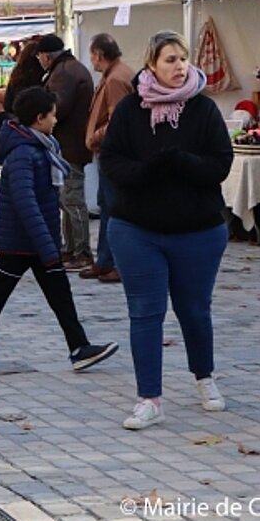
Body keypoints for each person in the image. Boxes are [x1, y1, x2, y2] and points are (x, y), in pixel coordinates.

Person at [99, 31, 233, 430]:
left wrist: (184, 163)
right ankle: (149, 399)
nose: (179, 66)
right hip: (137, 229)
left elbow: (221, 163)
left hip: (198, 229)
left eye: (183, 59)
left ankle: (204, 377)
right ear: (151, 65)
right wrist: (148, 171)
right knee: (145, 311)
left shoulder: (203, 108)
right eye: (170, 60)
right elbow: (111, 161)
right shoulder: (130, 109)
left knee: (194, 310)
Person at [0, 87, 118, 373]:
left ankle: (79, 347)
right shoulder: (23, 153)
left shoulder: (42, 147)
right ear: (39, 118)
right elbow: (25, 203)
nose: (56, 121)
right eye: (53, 116)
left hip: (40, 240)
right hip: (18, 242)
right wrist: (48, 244)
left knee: (60, 294)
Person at [36, 34, 95, 270]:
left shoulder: (63, 73)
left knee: (72, 200)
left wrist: (37, 115)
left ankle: (82, 252)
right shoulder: (69, 68)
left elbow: (57, 108)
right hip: (72, 144)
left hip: (70, 146)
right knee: (68, 200)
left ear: (46, 56)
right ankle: (71, 249)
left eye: (39, 56)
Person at [80, 33, 134, 283]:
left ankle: (115, 262)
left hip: (113, 152)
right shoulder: (115, 74)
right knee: (107, 206)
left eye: (92, 55)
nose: (91, 60)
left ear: (99, 55)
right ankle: (104, 260)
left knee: (114, 209)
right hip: (109, 152)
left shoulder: (116, 79)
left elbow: (118, 119)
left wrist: (95, 137)